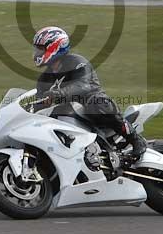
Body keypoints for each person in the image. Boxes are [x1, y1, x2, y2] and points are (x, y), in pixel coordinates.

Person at [31, 26, 147, 160]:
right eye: (37, 49)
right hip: (66, 112)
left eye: (41, 49)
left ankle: (135, 139)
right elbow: (39, 98)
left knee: (98, 104)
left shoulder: (77, 62)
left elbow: (84, 85)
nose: (37, 53)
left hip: (90, 103)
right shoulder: (45, 78)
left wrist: (59, 93)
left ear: (55, 47)